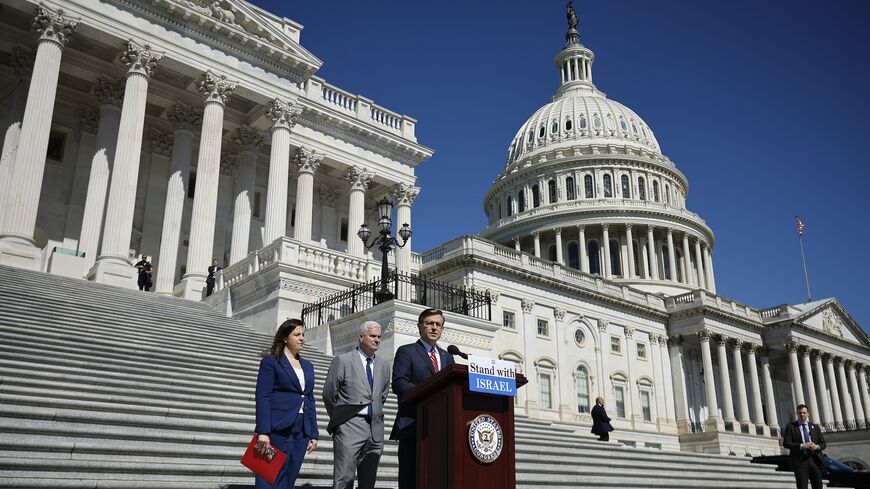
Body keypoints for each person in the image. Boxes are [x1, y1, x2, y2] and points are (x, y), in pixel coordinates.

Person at [390, 308, 454, 489]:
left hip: (441, 428)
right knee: (411, 478)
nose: (434, 328)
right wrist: (430, 394)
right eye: (429, 323)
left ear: (442, 329)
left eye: (438, 325)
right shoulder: (407, 351)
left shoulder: (448, 357)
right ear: (420, 326)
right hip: (413, 425)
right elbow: (399, 383)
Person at [322, 321, 390, 489]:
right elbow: (329, 393)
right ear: (361, 337)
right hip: (349, 425)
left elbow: (382, 395)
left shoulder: (384, 365)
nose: (377, 340)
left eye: (379, 337)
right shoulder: (343, 360)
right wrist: (342, 418)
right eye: (373, 336)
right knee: (344, 478)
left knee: (368, 481)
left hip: (375, 428)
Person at [254, 319, 319, 488]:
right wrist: (263, 431)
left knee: (288, 479)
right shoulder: (271, 361)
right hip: (277, 428)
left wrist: (313, 432)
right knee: (267, 478)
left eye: (303, 334)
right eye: (297, 334)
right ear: (285, 338)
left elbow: (310, 398)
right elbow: (263, 397)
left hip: (301, 430)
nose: (302, 338)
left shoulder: (308, 366)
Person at [782, 404, 827, 489]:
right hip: (800, 461)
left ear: (808, 413)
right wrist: (802, 445)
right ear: (797, 414)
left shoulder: (815, 427)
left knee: (818, 484)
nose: (802, 414)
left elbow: (823, 443)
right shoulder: (791, 427)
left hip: (814, 459)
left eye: (804, 413)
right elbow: (786, 443)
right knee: (802, 485)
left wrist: (816, 446)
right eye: (800, 413)